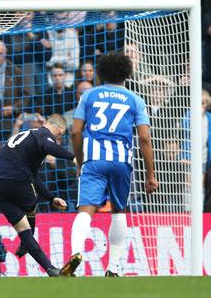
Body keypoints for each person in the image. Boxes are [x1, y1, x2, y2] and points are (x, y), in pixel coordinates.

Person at [61, 52, 158, 277]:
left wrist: (80, 160)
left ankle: (75, 254)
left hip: (94, 160)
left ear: (99, 72)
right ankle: (113, 267)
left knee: (86, 210)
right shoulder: (135, 99)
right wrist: (150, 175)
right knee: (118, 212)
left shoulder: (89, 95)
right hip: (121, 162)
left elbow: (75, 131)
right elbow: (144, 138)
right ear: (127, 73)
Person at [0, 113, 74, 276]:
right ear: (60, 130)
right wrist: (73, 157)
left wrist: (51, 198)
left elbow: (33, 176)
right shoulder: (43, 134)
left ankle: (50, 268)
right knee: (32, 207)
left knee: (23, 229)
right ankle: (28, 243)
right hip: (15, 178)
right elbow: (50, 147)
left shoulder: (26, 136)